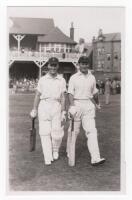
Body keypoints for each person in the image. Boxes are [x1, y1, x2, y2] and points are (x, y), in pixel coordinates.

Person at [68, 56, 105, 166]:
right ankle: (70, 152)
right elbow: (70, 93)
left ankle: (95, 157)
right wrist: (72, 106)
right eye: (82, 63)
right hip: (77, 104)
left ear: (88, 65)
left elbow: (95, 93)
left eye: (86, 63)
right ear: (78, 64)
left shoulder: (92, 77)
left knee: (92, 131)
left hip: (89, 105)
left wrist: (97, 103)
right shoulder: (73, 77)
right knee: (74, 131)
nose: (84, 66)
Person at [30, 57, 67, 165]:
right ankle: (47, 156)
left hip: (56, 106)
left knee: (57, 133)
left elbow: (63, 97)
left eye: (55, 65)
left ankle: (55, 150)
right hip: (44, 106)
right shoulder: (42, 79)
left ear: (58, 66)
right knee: (44, 133)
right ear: (48, 66)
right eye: (51, 65)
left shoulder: (62, 80)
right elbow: (37, 95)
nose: (53, 67)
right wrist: (34, 109)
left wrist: (63, 111)